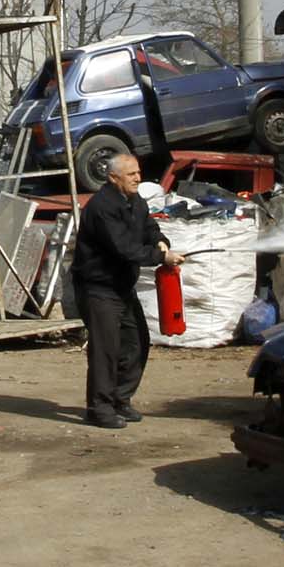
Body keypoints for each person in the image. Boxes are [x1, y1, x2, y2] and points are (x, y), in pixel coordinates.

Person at [68, 149, 183, 428]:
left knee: (137, 342)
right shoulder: (102, 207)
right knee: (105, 350)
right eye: (131, 174)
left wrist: (160, 241)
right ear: (112, 177)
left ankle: (121, 399)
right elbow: (124, 249)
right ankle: (100, 408)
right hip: (98, 288)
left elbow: (148, 226)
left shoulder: (134, 200)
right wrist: (160, 258)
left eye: (138, 173)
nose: (137, 178)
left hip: (121, 287)